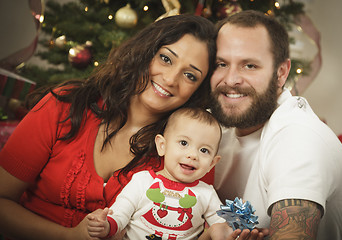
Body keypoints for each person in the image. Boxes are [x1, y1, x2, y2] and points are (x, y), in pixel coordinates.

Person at [0, 14, 217, 240]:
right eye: (165, 58)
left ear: (198, 91)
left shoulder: (194, 152)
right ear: (145, 53)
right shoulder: (65, 106)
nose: (171, 79)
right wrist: (69, 236)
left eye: (190, 75)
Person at [209, 10, 342, 240]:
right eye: (221, 63)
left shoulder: (298, 138)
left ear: (281, 73)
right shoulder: (212, 127)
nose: (231, 80)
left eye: (249, 65)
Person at [86, 107, 267, 240]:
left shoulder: (206, 193)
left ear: (212, 163)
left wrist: (235, 230)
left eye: (204, 150)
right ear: (162, 145)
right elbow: (120, 214)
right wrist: (106, 225)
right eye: (183, 143)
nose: (192, 155)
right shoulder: (142, 181)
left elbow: (219, 224)